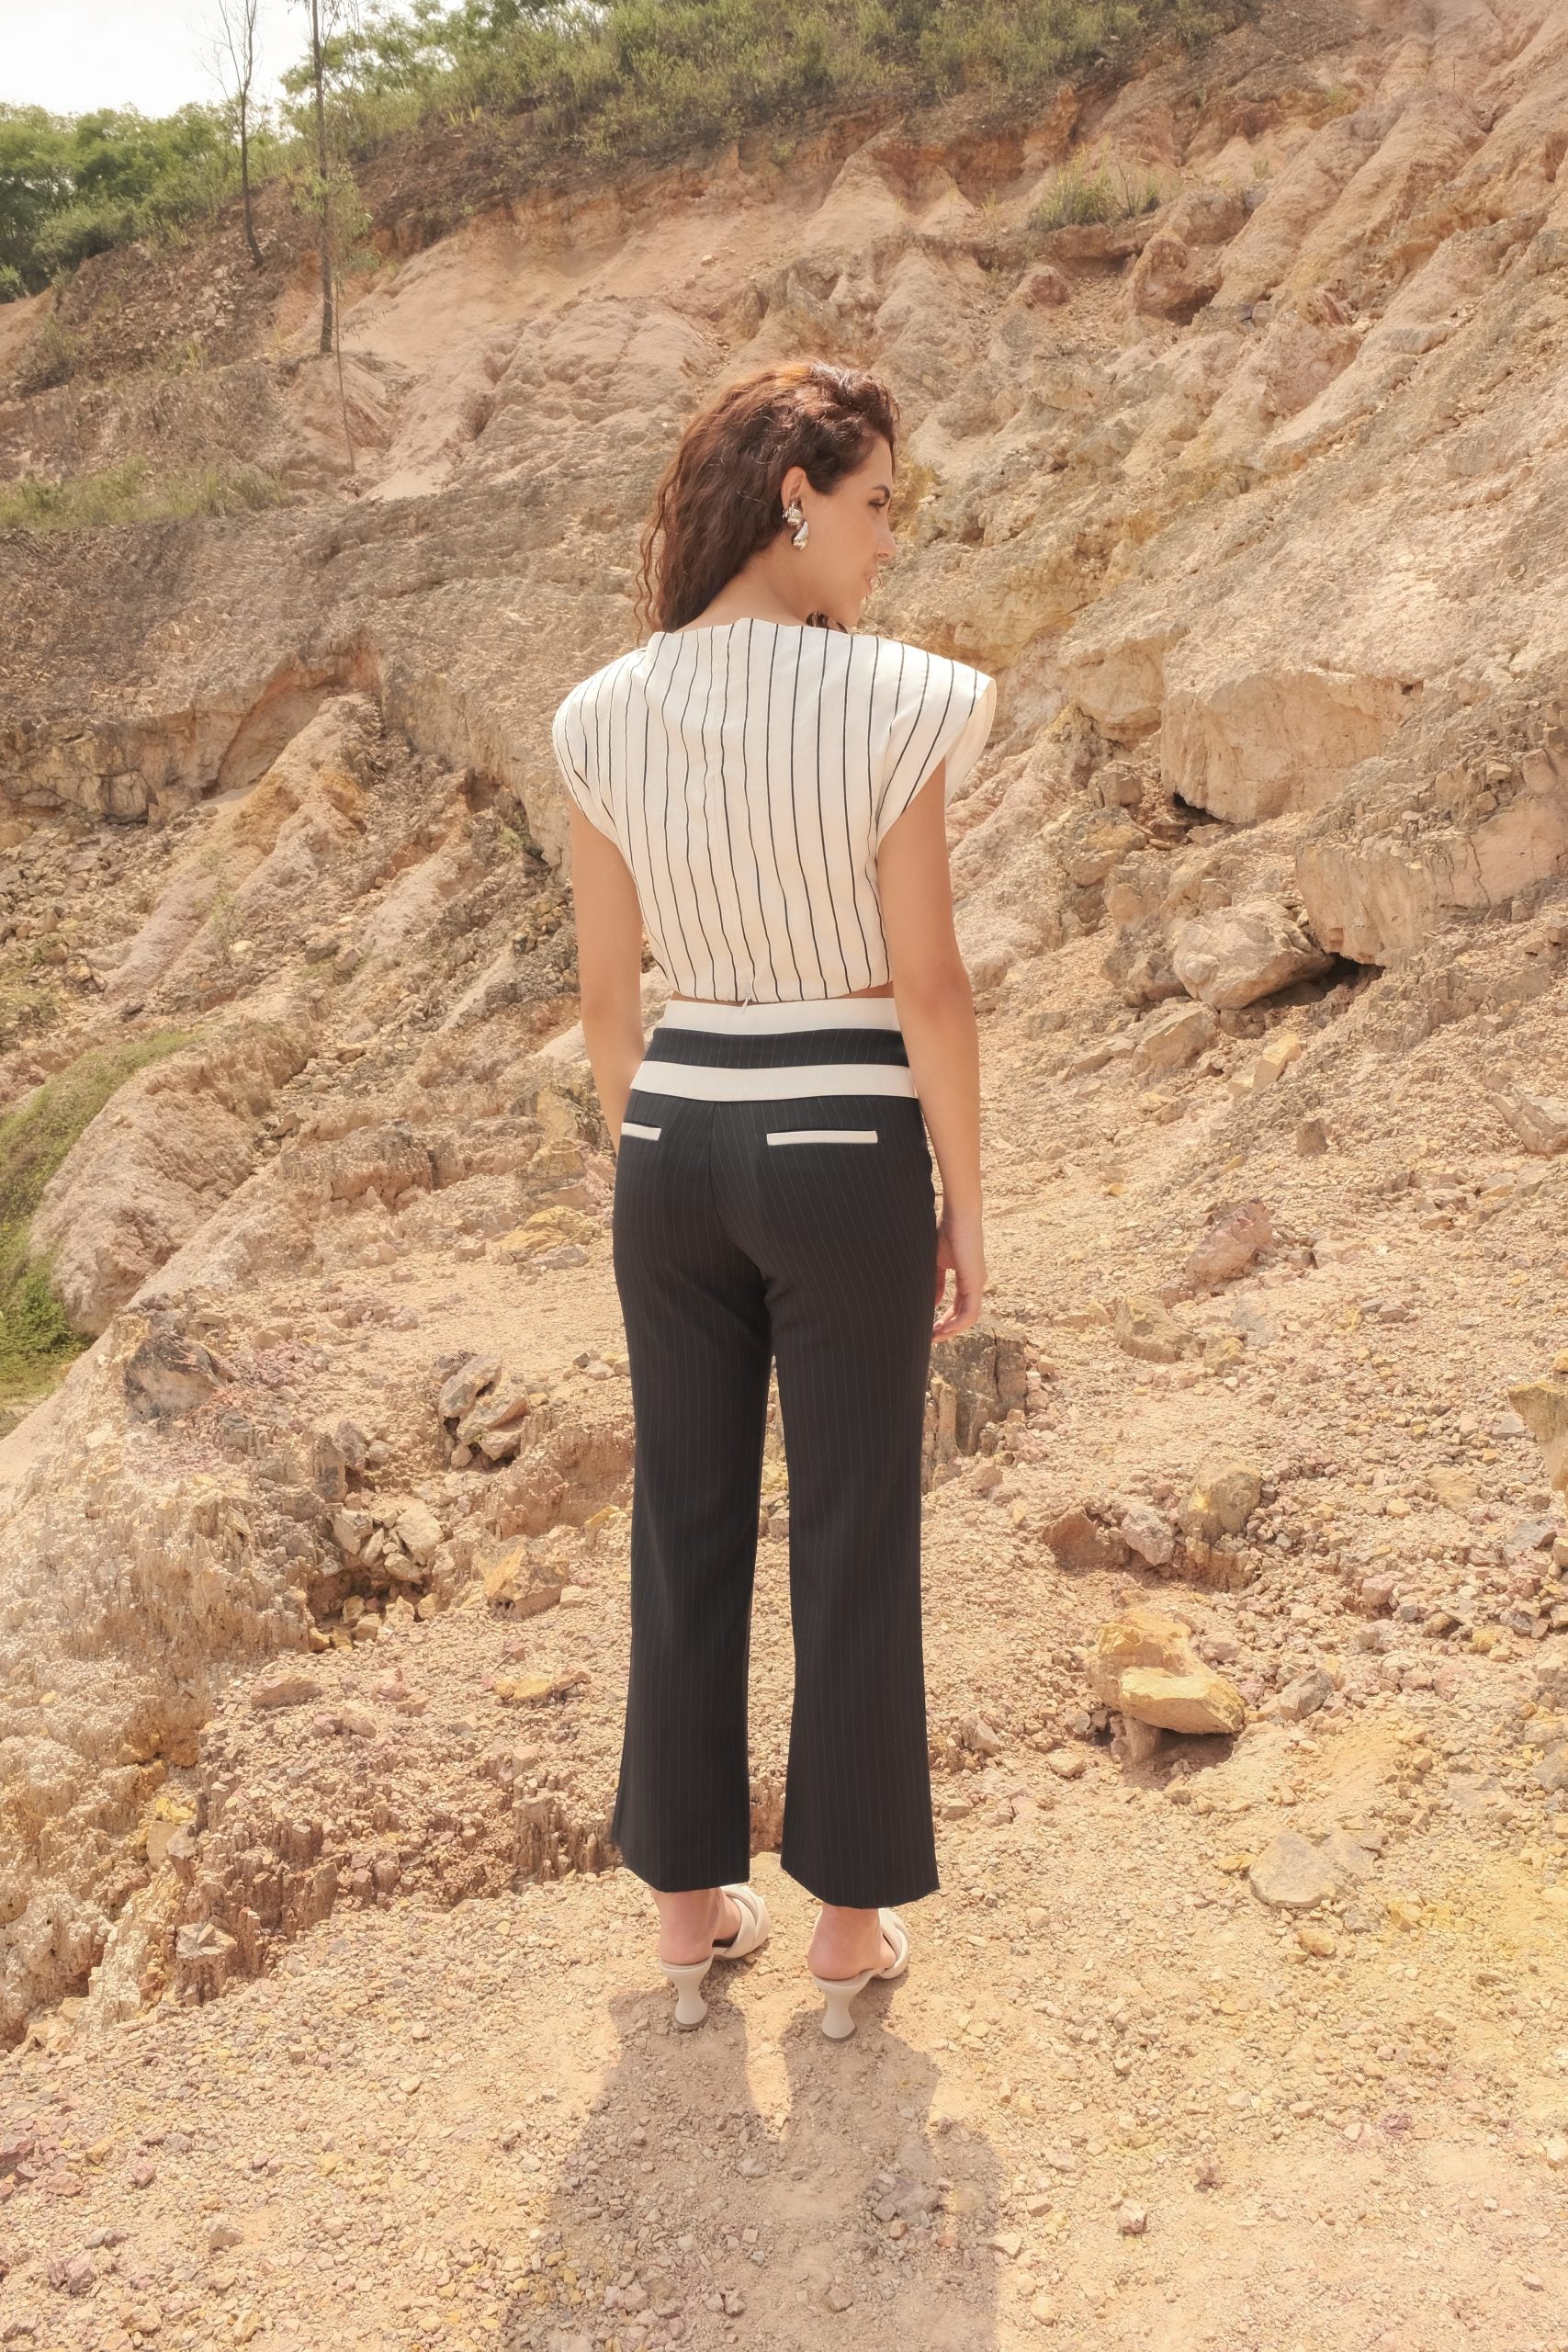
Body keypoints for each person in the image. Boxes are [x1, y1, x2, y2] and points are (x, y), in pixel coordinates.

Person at [549, 358, 995, 2040]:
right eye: (876, 505)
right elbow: (929, 985)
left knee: (685, 1516)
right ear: (795, 500)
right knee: (856, 1523)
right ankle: (847, 1925)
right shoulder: (895, 699)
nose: (888, 540)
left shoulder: (601, 713)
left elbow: (608, 1002)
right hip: (841, 1144)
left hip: (671, 1143)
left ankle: (685, 1911)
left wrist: (666, 1152)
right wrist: (963, 1199)